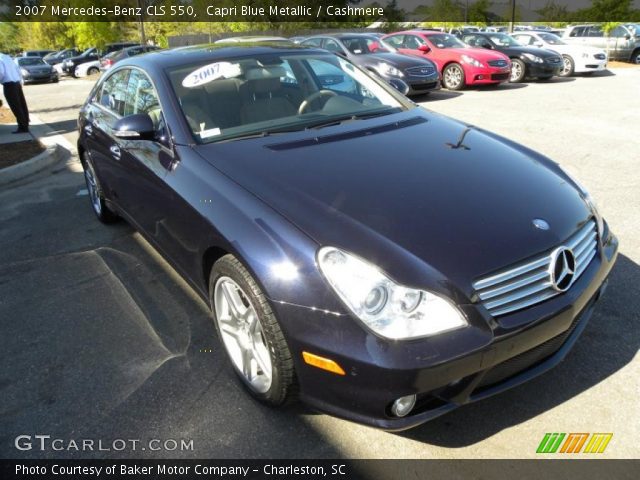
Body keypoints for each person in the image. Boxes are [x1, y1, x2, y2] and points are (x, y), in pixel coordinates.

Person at [0, 52, 30, 133]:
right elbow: (17, 69)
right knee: (22, 104)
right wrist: (20, 80)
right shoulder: (7, 57)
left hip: (9, 85)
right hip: (16, 83)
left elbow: (1, 72)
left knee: (15, 106)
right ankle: (26, 123)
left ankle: (22, 127)